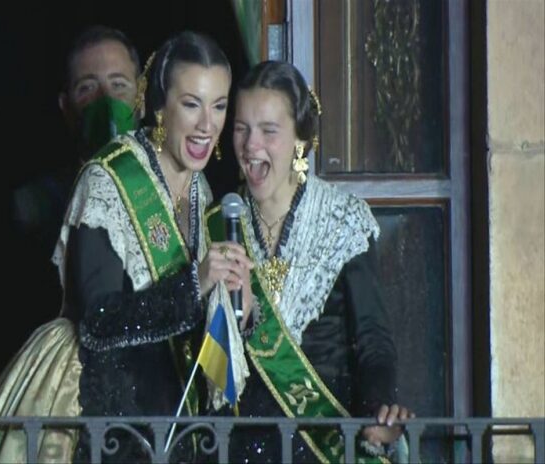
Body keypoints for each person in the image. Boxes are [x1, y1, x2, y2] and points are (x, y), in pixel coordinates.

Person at [58, 30, 253, 462]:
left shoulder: (200, 188)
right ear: (158, 106)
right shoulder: (108, 180)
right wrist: (195, 283)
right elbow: (98, 321)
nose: (207, 125)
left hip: (184, 432)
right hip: (120, 432)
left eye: (219, 106)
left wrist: (237, 301)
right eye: (192, 104)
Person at [206, 60, 413, 463]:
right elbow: (210, 370)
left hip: (324, 445)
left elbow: (372, 339)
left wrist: (380, 409)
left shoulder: (343, 220)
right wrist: (239, 323)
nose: (251, 145)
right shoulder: (218, 224)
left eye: (269, 131)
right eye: (241, 128)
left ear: (300, 137)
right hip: (239, 446)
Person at [11, 25, 142, 258]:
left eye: (119, 85)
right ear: (66, 107)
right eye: (87, 88)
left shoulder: (177, 191)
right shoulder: (35, 208)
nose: (106, 99)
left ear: (141, 99)